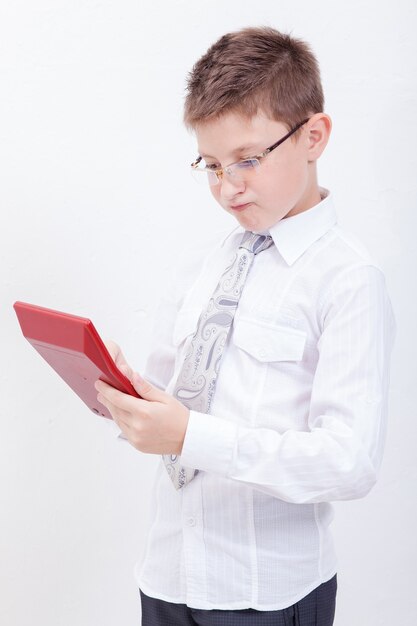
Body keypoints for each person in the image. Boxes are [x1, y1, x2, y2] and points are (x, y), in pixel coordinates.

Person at [94, 26, 396, 625]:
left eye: (248, 160)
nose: (228, 187)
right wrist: (123, 391)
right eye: (210, 165)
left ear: (314, 136)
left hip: (264, 592)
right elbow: (170, 401)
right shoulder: (204, 265)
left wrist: (189, 436)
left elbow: (349, 461)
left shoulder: (348, 279)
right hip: (167, 573)